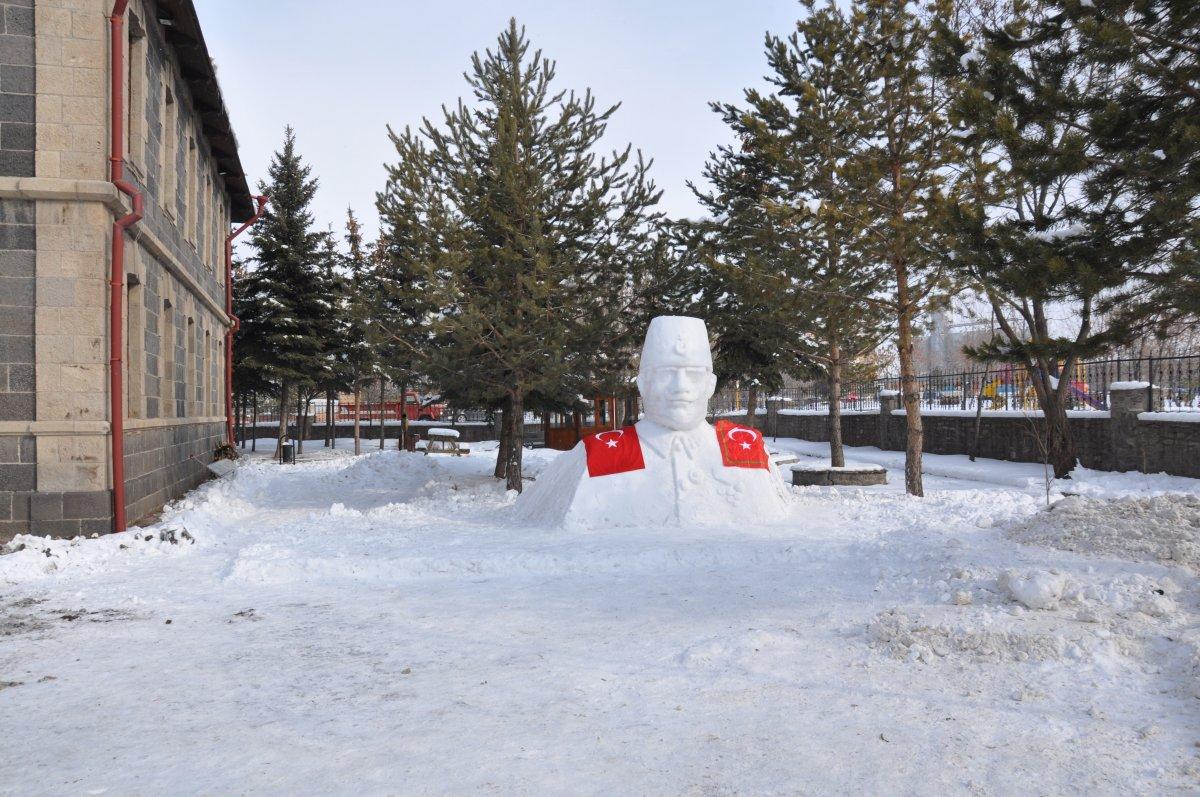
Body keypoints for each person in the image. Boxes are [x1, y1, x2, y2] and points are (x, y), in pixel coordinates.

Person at [515, 316, 791, 528]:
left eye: (693, 374)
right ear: (643, 384)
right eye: (666, 374)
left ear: (710, 384)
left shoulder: (748, 451)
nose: (680, 387)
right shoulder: (596, 457)